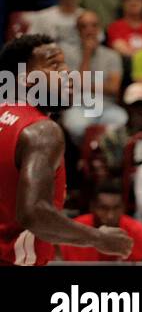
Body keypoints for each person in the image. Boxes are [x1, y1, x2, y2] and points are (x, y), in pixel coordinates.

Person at [0, 35, 134, 264]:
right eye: (54, 65)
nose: (68, 74)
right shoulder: (41, 130)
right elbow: (34, 213)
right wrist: (99, 238)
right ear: (25, 79)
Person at [58, 182, 142, 263]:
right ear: (92, 207)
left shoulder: (137, 230)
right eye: (104, 208)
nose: (110, 216)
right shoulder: (76, 229)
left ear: (123, 207)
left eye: (116, 208)